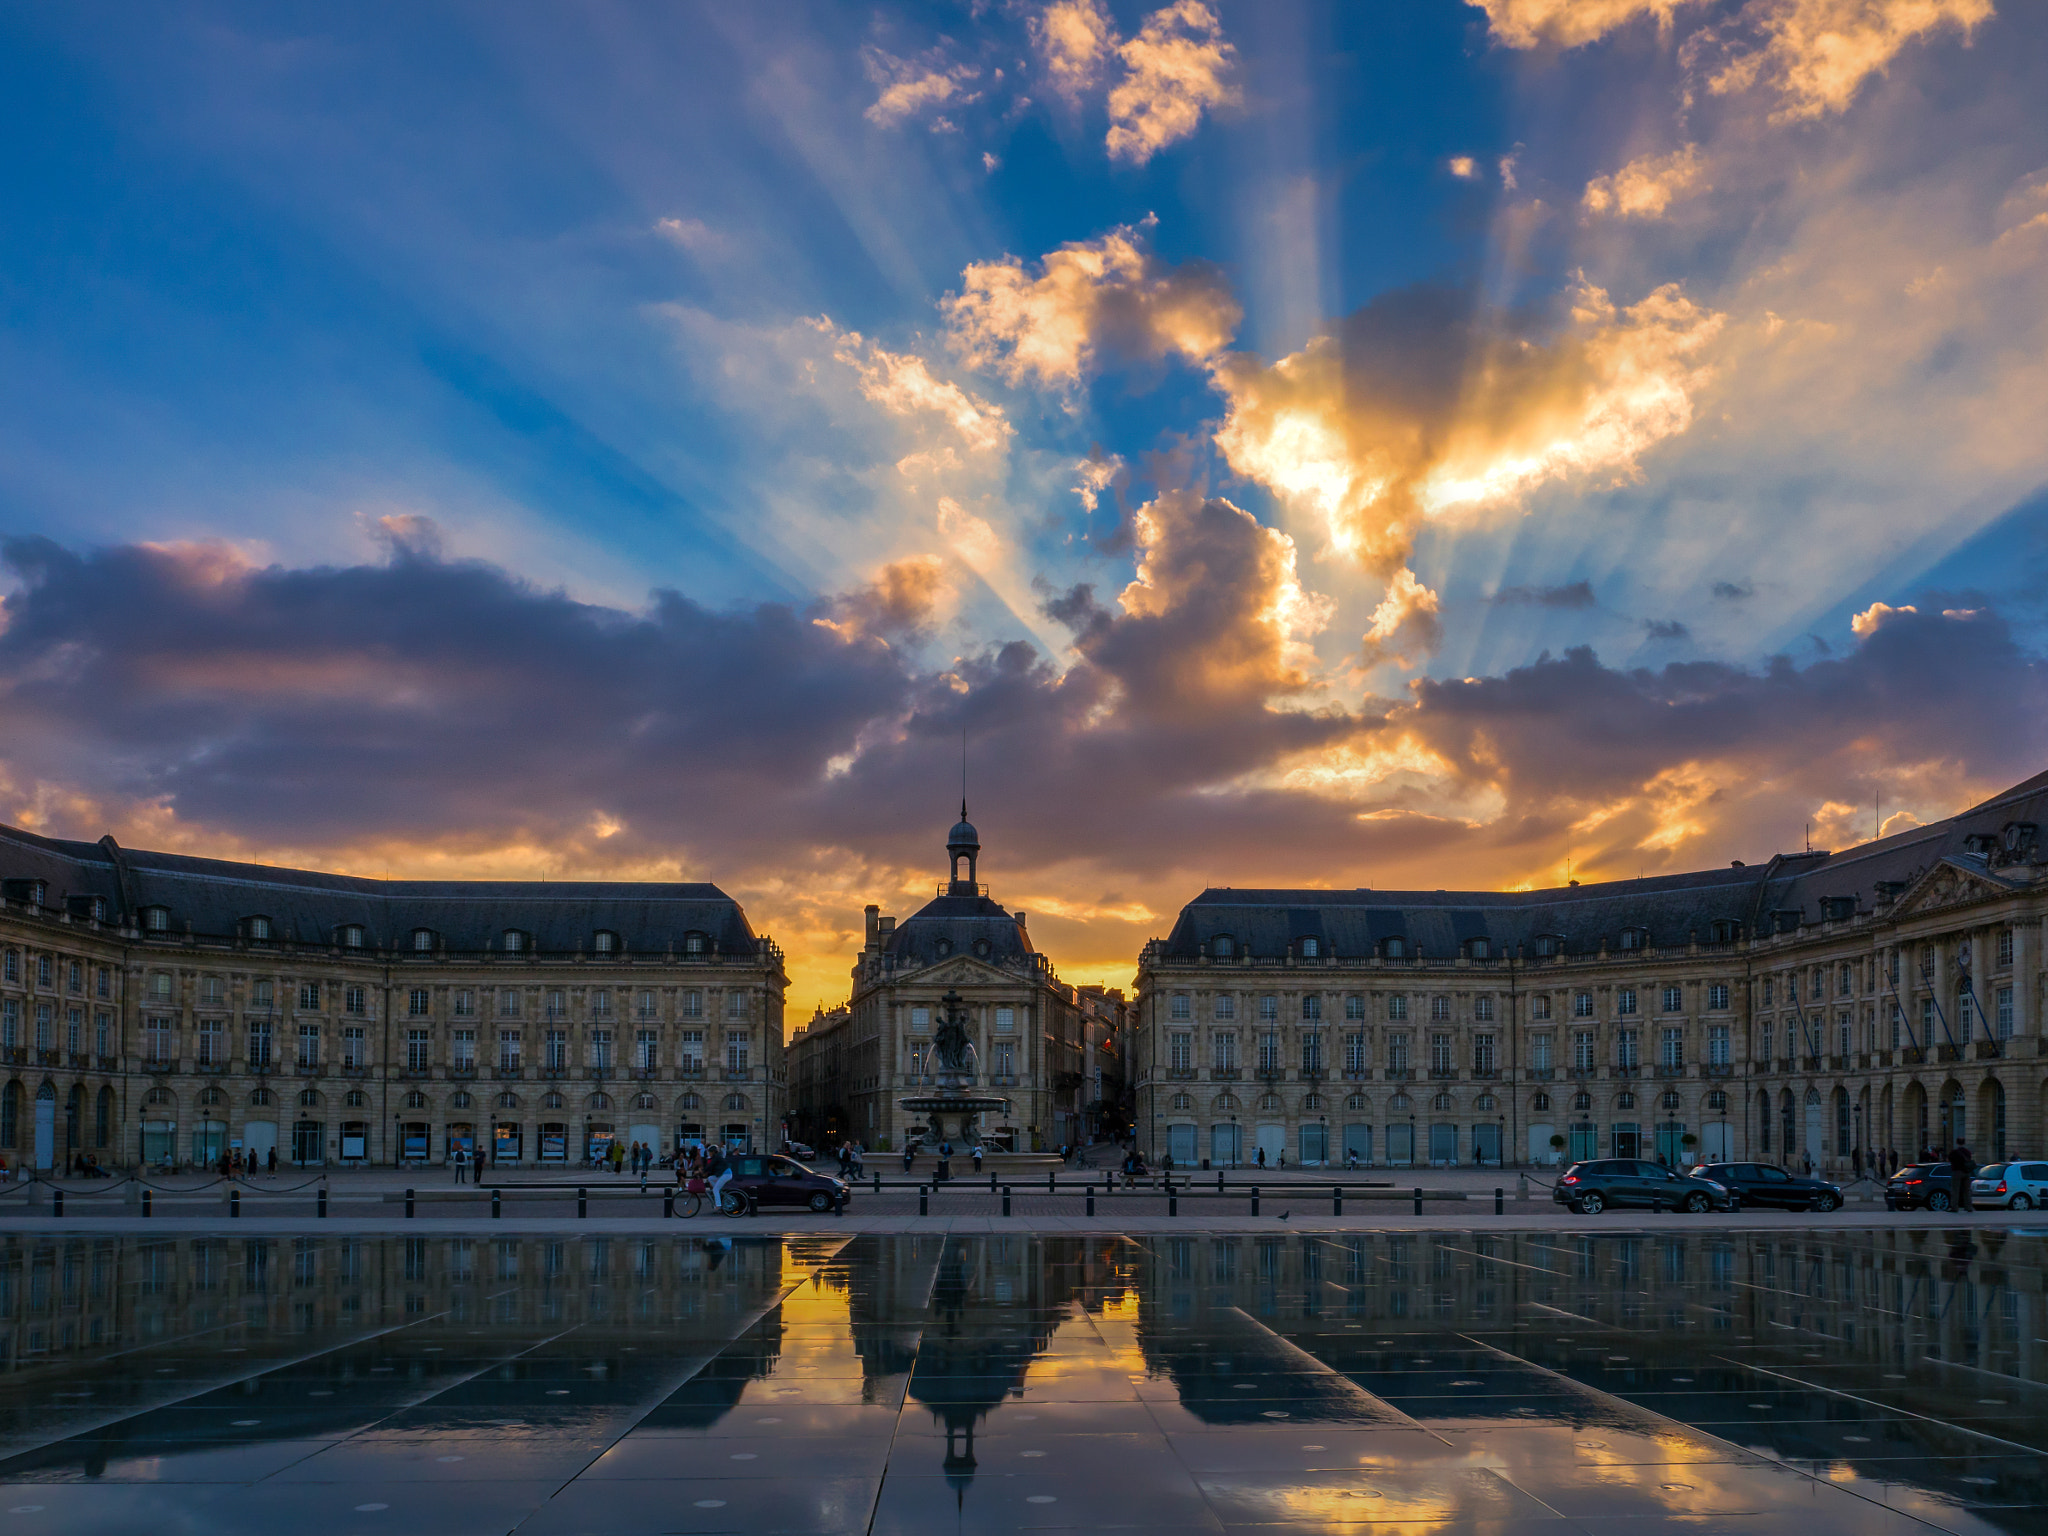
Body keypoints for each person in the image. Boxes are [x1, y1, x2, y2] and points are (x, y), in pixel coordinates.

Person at [1950, 1141, 1975, 1210]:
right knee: (1967, 1190)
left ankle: (1954, 1207)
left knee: (1955, 1190)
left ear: (1957, 1143)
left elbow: (1950, 1160)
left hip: (1957, 1171)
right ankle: (1968, 1206)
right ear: (1964, 1143)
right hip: (1966, 1172)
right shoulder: (1967, 1152)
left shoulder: (1954, 1152)